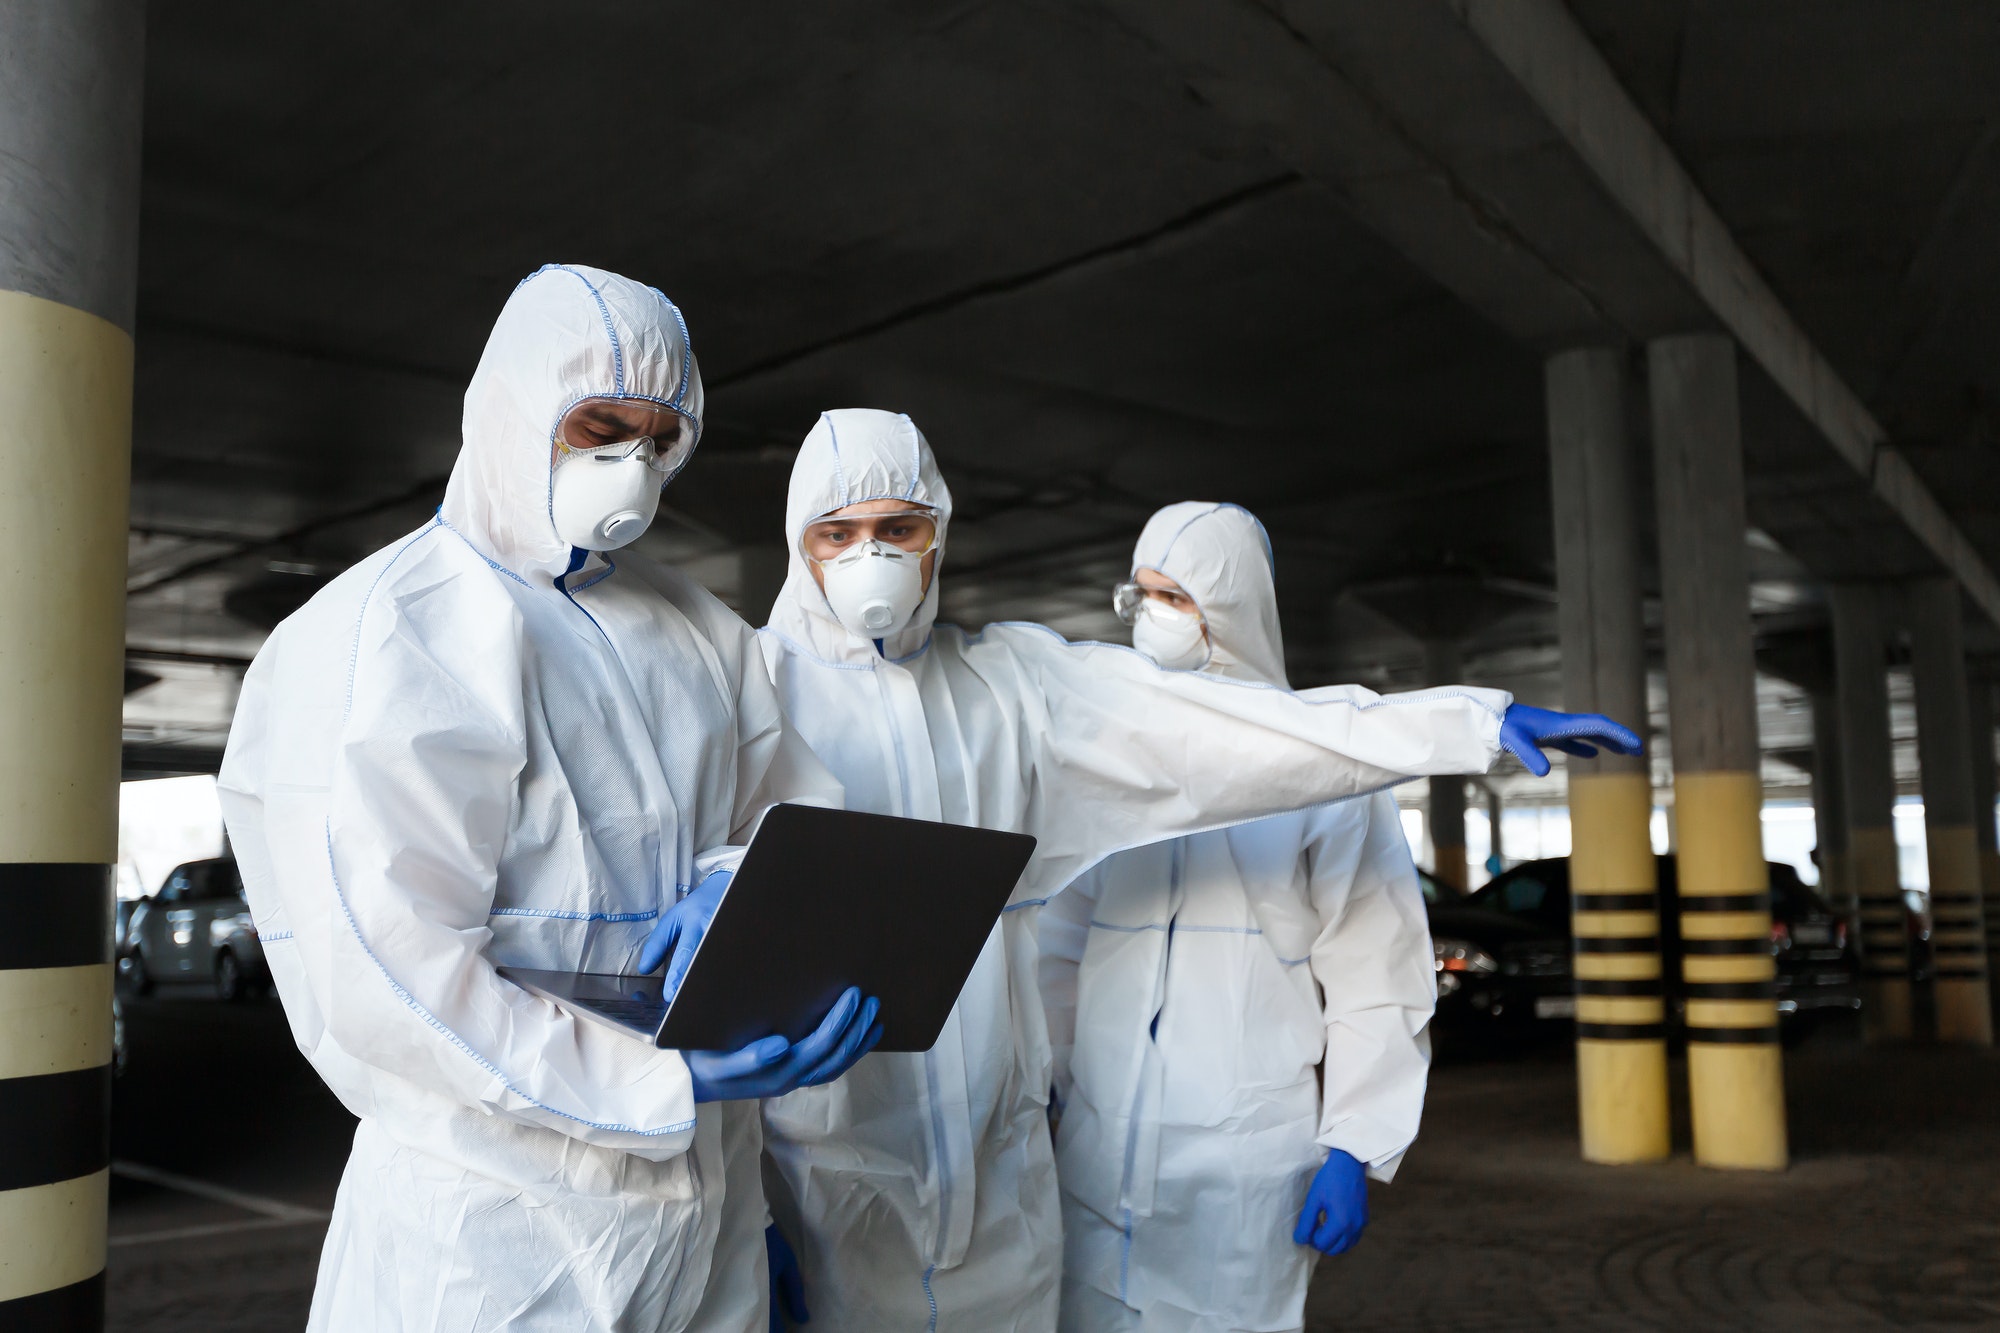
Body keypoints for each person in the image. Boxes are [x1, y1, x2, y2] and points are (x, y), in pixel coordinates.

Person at [751, 410, 1638, 1330]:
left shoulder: (1009, 687)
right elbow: (1050, 953)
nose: (871, 556)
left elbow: (1289, 783)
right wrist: (753, 1209)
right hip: (877, 1171)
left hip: (1091, 1177)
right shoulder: (758, 691)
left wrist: (1472, 726)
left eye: (898, 529)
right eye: (838, 532)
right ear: (798, 542)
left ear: (938, 533)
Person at [217, 264, 879, 1333]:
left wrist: (740, 883)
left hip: (704, 1217)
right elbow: (385, 968)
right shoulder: (388, 631)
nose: (632, 463)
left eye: (659, 438)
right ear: (516, 410)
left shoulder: (702, 631)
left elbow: (793, 818)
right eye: (598, 425)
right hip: (494, 1232)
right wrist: (657, 1085)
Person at [1039, 501, 1434, 1333]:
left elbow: (1376, 966)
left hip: (1243, 1156)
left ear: (1232, 609)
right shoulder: (1111, 754)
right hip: (1095, 1148)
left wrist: (1356, 1144)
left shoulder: (1323, 771)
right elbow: (1057, 941)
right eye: (1140, 594)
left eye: (1174, 597)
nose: (1150, 616)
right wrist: (1047, 1083)